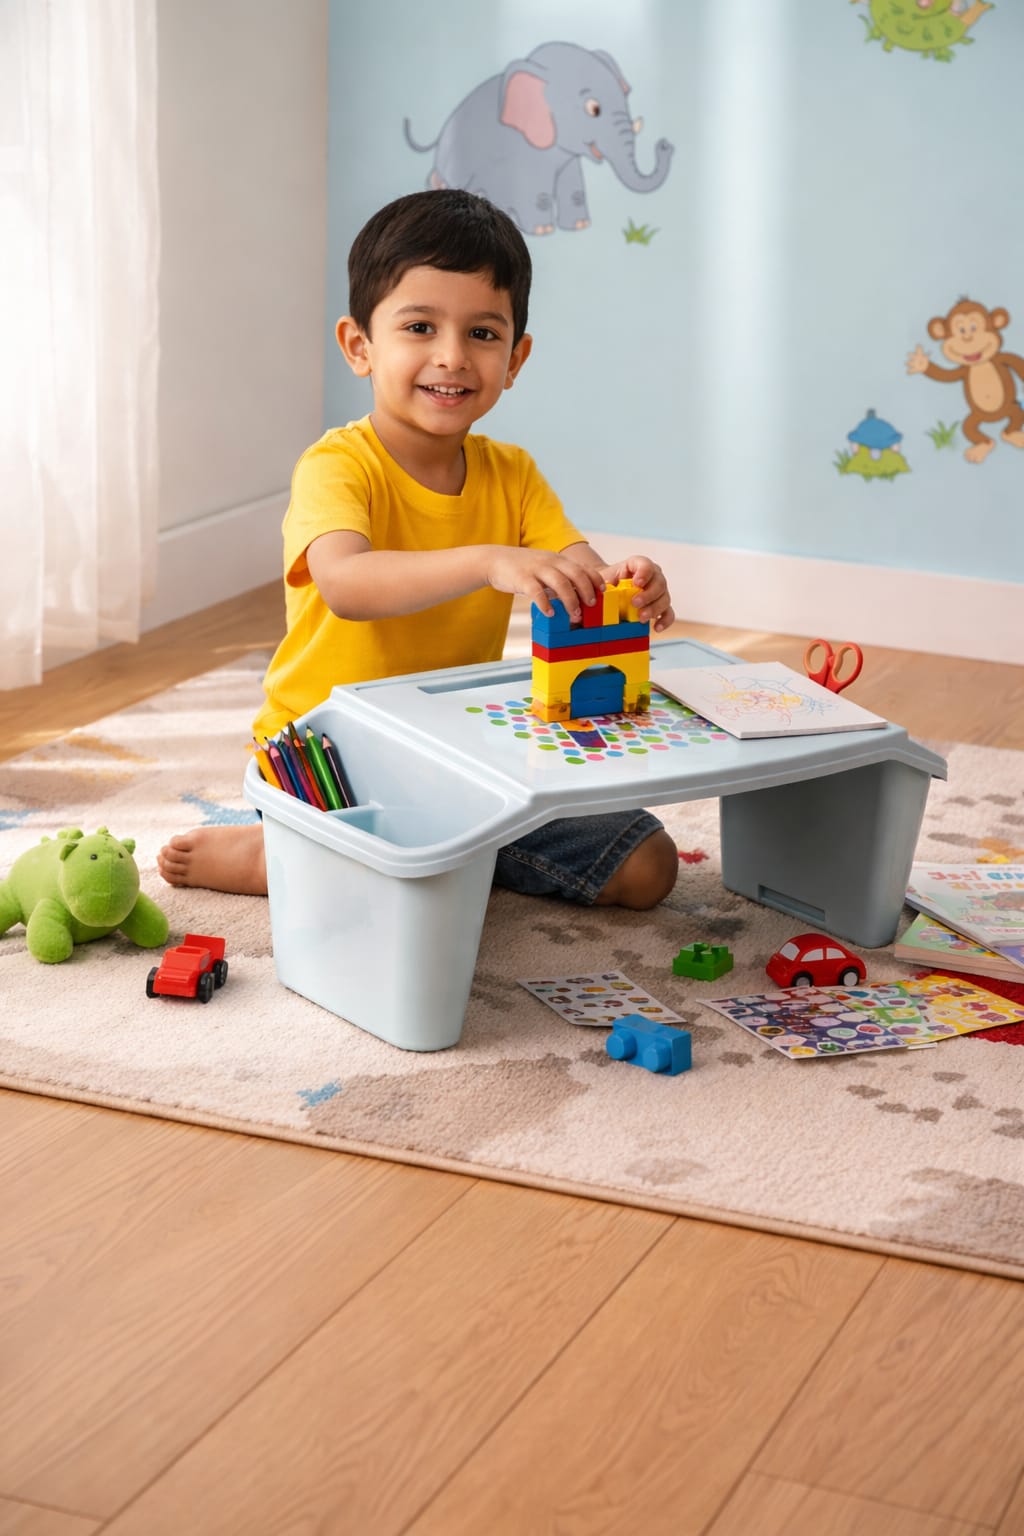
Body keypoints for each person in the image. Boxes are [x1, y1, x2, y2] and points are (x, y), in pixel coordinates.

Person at [158, 189, 679, 908]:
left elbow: (579, 576)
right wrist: (489, 560)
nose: (452, 357)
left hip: (458, 756)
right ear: (359, 346)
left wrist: (629, 582)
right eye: (420, 326)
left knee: (647, 866)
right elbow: (345, 583)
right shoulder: (337, 466)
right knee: (397, 890)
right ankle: (274, 854)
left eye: (483, 335)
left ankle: (433, 854)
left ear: (516, 357)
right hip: (329, 756)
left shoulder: (514, 474)